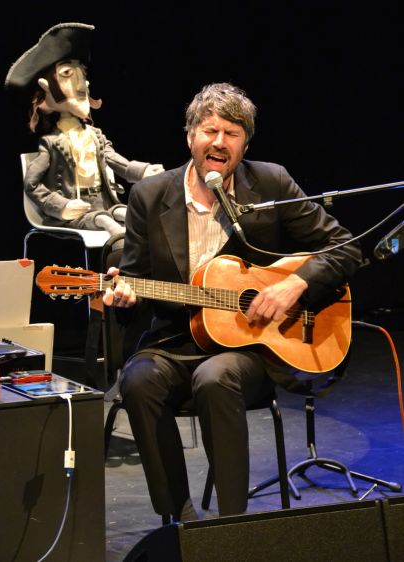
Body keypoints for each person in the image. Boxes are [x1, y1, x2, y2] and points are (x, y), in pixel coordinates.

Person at [102, 82, 362, 522]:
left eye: (232, 132)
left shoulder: (270, 183)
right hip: (175, 340)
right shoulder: (150, 196)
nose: (219, 141)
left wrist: (292, 285)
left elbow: (346, 247)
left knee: (216, 376)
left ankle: (232, 527)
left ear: (244, 143)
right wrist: (122, 296)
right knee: (139, 380)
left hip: (252, 349)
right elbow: (133, 279)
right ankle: (178, 519)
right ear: (190, 137)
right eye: (209, 131)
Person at [4, 23, 163, 237]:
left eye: (83, 73)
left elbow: (114, 159)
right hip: (76, 213)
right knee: (110, 225)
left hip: (105, 204)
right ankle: (120, 266)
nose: (82, 84)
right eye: (68, 73)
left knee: (135, 216)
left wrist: (142, 171)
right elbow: (32, 185)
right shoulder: (50, 144)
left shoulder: (95, 135)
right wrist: (60, 205)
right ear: (46, 87)